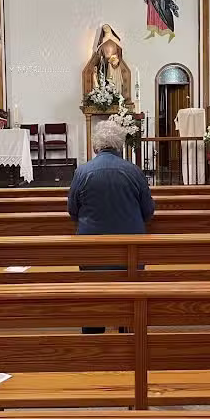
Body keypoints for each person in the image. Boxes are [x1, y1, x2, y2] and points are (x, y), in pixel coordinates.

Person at [69, 121, 155, 333]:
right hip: (130, 253)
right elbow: (148, 211)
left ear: (95, 147)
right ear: (119, 146)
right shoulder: (134, 171)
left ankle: (93, 333)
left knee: (93, 292)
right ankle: (128, 331)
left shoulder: (82, 172)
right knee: (128, 289)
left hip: (92, 253)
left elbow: (72, 211)